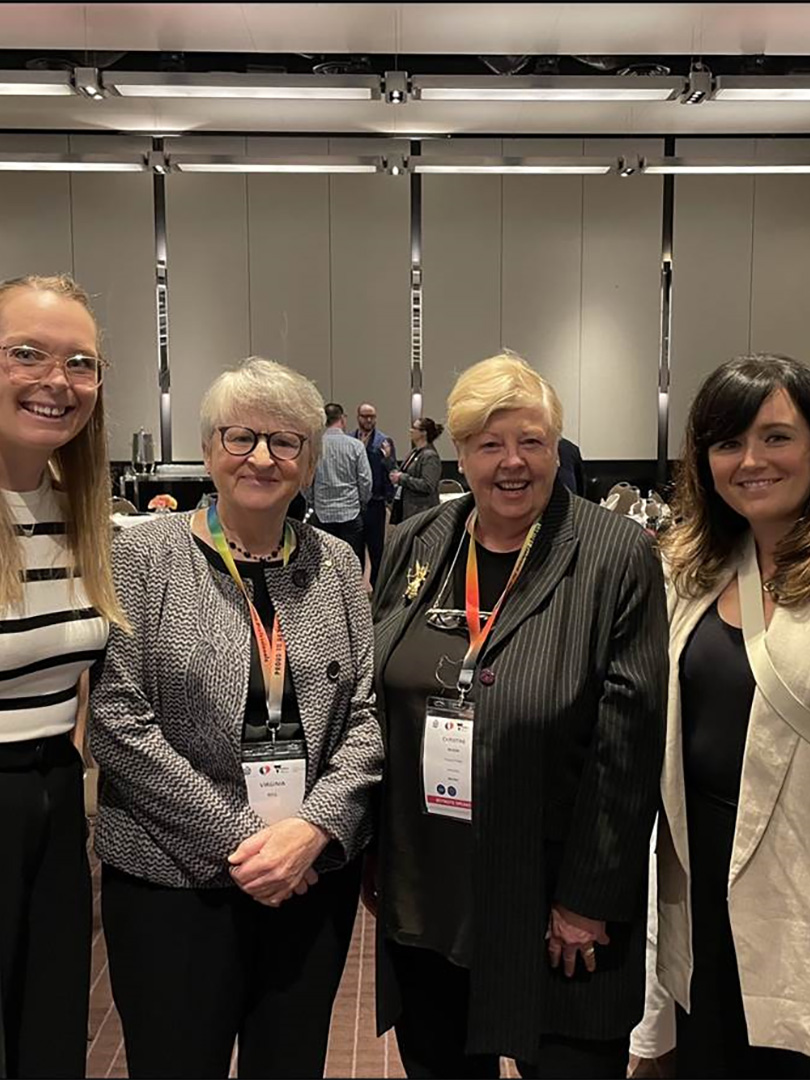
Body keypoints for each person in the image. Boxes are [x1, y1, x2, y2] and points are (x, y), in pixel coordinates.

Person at [369, 352, 668, 1078]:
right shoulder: (417, 546)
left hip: (554, 909)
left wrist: (587, 901)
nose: (512, 463)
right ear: (459, 454)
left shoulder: (613, 553)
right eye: (488, 444)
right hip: (431, 899)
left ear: (556, 448)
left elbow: (627, 744)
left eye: (531, 442)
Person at [90, 357, 383, 1080]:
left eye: (285, 441)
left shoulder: (337, 564)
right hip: (172, 883)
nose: (262, 456)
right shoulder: (143, 555)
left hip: (307, 884)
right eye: (240, 436)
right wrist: (252, 844)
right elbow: (118, 722)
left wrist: (311, 831)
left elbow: (366, 718)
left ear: (311, 458)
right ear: (210, 447)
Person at [654, 354, 810, 1078]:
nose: (751, 461)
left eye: (777, 437)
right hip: (703, 880)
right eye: (727, 443)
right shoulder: (696, 570)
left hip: (796, 881)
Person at [0, 274, 123, 1079]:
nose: (57, 382)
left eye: (80, 363)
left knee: (48, 1035)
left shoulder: (81, 516)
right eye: (27, 354)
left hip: (51, 793)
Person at [307, 401, 372, 564]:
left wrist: (312, 501)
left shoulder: (314, 447)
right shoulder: (355, 445)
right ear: (342, 419)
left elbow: (306, 480)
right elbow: (365, 480)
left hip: (322, 513)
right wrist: (362, 501)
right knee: (352, 561)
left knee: (324, 562)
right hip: (350, 512)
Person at [354, 401, 396, 587]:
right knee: (355, 549)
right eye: (365, 416)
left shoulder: (384, 441)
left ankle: (378, 589)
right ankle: (355, 590)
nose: (369, 419)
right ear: (358, 417)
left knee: (376, 549)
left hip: (375, 501)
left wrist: (389, 499)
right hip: (354, 503)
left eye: (372, 416)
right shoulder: (350, 440)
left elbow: (391, 470)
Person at [388, 417, 444, 524]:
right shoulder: (414, 452)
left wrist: (402, 478)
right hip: (406, 507)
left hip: (420, 511)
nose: (411, 430)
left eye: (414, 428)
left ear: (423, 433)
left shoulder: (430, 456)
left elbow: (428, 485)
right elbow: (402, 471)